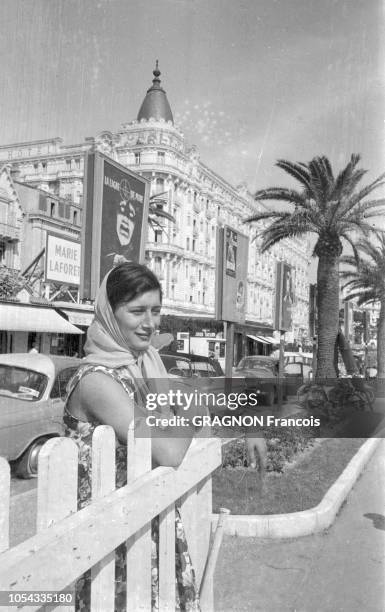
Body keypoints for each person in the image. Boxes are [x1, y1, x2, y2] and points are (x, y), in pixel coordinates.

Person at [64, 262, 201, 611]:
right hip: (108, 542)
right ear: (110, 313)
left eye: (156, 311)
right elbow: (169, 451)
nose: (150, 323)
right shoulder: (98, 382)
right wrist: (194, 410)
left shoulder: (144, 365)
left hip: (143, 525)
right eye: (137, 311)